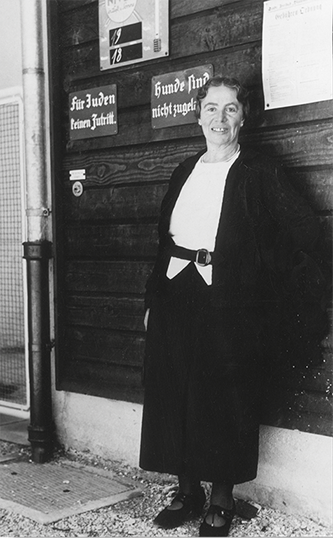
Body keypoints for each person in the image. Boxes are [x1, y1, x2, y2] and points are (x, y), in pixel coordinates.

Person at [139, 75, 329, 537]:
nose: (218, 118)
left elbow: (304, 232)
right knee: (174, 389)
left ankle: (221, 498)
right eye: (210, 108)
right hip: (174, 293)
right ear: (198, 114)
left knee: (224, 396)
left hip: (229, 300)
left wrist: (270, 293)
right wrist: (152, 299)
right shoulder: (184, 170)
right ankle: (187, 491)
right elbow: (164, 241)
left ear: (245, 117)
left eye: (229, 109)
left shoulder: (259, 172)